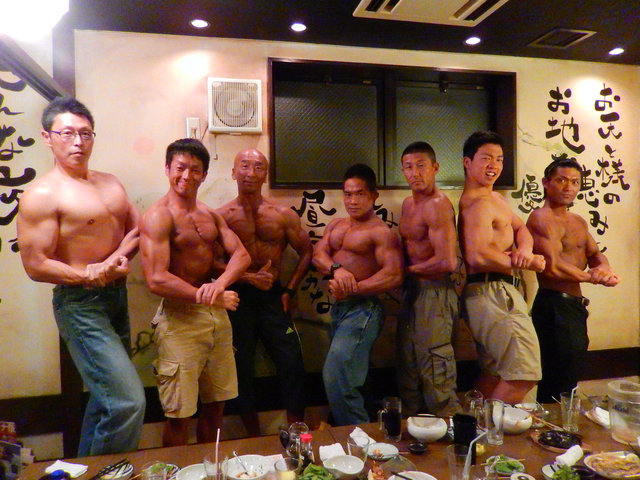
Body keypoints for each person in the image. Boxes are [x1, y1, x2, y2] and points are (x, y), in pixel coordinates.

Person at [16, 97, 145, 456]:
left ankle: (82, 472)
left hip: (116, 296)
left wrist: (112, 262)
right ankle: (110, 475)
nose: (78, 142)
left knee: (107, 400)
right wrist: (89, 276)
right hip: (79, 304)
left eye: (85, 134)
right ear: (48, 137)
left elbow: (138, 231)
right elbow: (35, 264)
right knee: (127, 401)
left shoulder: (111, 183)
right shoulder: (42, 194)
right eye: (67, 133)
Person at [139, 138, 250, 446]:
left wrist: (219, 285)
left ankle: (209, 466)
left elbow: (241, 255)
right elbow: (156, 279)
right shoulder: (158, 216)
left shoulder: (210, 215)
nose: (186, 176)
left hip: (216, 318)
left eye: (195, 169)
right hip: (180, 320)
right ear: (167, 169)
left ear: (204, 175)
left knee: (216, 407)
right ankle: (177, 469)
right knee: (179, 415)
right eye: (180, 168)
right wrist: (210, 295)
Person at [217, 148, 312, 436]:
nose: (250, 172)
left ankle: (296, 433)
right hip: (237, 299)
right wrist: (247, 277)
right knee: (240, 367)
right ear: (233, 172)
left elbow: (307, 251)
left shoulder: (283, 215)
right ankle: (253, 436)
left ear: (265, 174)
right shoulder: (221, 217)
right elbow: (210, 261)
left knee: (292, 362)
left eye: (258, 167)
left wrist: (290, 290)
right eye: (244, 165)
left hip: (274, 297)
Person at [458, 131, 545, 404]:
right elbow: (477, 255)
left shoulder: (495, 199)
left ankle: (475, 426)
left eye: (499, 159)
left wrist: (525, 251)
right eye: (486, 158)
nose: (493, 165)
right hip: (492, 291)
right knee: (523, 373)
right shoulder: (476, 203)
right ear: (467, 162)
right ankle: (492, 427)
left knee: (494, 372)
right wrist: (528, 262)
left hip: (498, 291)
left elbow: (521, 228)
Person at [313, 164, 403, 426]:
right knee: (352, 379)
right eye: (348, 194)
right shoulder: (336, 225)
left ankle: (359, 438)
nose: (352, 201)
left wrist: (352, 288)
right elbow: (318, 254)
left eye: (360, 194)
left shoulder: (380, 232)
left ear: (374, 195)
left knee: (336, 375)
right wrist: (337, 270)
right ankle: (362, 435)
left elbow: (394, 275)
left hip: (365, 309)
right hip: (340, 310)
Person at [527, 158, 620, 402]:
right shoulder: (540, 218)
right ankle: (553, 423)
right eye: (561, 180)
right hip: (553, 304)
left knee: (570, 373)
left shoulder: (578, 221)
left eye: (575, 182)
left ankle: (562, 422)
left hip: (573, 307)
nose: (569, 187)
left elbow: (595, 254)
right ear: (546, 183)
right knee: (556, 377)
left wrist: (604, 268)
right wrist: (593, 278)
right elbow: (553, 266)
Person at [397, 142, 461, 416]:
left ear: (435, 168)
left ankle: (454, 434)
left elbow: (447, 262)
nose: (415, 173)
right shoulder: (408, 204)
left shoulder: (438, 205)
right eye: (408, 167)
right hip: (413, 292)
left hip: (435, 291)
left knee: (436, 372)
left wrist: (406, 272)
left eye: (421, 166)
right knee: (409, 370)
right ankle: (415, 437)